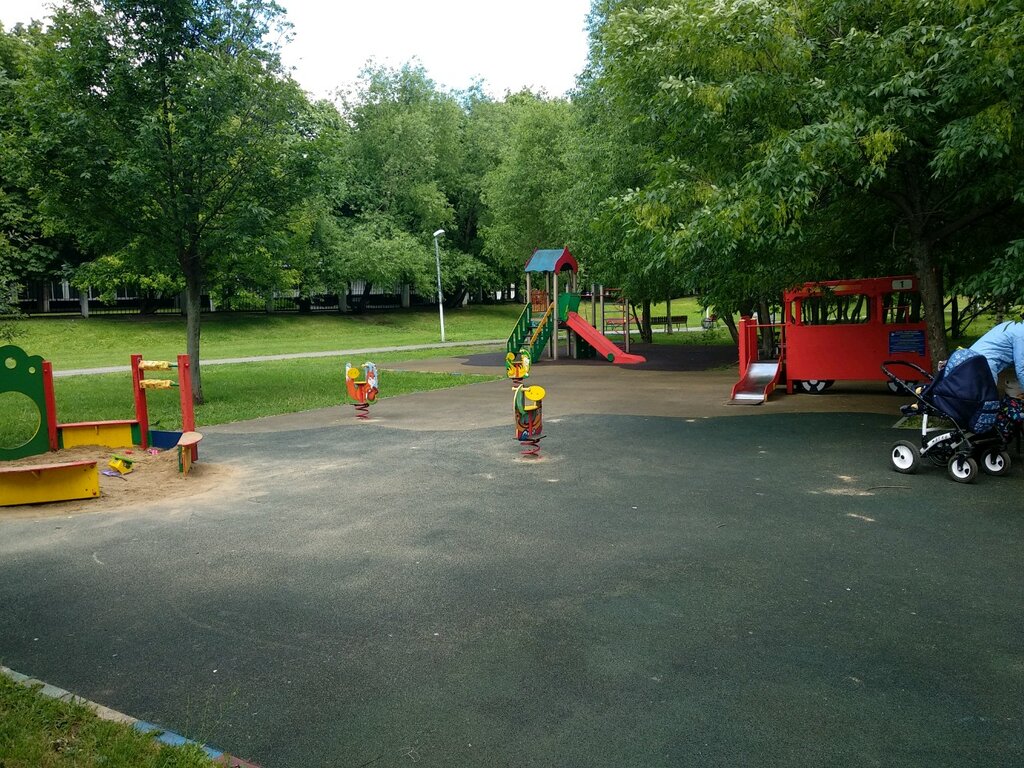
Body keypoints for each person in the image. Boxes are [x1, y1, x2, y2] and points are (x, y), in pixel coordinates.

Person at [969, 320, 1024, 442]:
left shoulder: (1014, 325)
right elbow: (1021, 369)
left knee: (981, 407)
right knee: (988, 407)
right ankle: (985, 440)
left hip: (972, 362)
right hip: (984, 365)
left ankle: (983, 438)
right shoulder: (1022, 334)